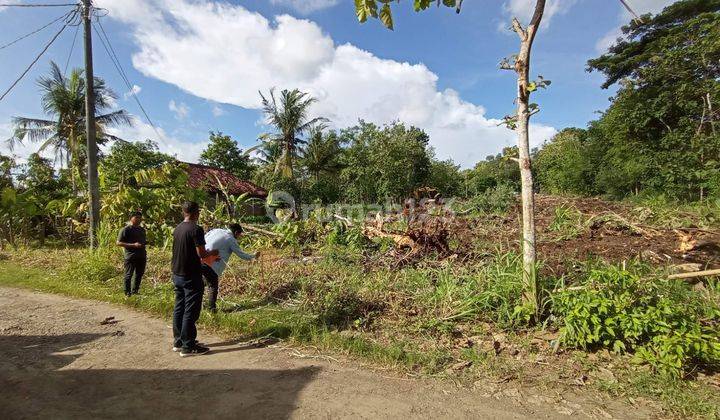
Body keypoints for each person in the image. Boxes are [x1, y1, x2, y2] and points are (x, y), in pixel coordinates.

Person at [171, 201, 218, 357]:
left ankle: (179, 341)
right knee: (190, 309)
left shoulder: (178, 228)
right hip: (190, 274)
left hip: (177, 273)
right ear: (196, 212)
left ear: (184, 212)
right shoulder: (196, 229)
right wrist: (213, 252)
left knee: (180, 307)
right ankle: (188, 346)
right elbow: (201, 254)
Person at [201, 223, 258, 312]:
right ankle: (212, 309)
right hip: (212, 264)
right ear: (236, 232)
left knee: (200, 283)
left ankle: (194, 303)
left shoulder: (217, 230)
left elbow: (204, 238)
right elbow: (241, 255)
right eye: (239, 235)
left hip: (200, 259)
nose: (239, 237)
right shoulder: (230, 239)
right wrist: (253, 256)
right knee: (213, 286)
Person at [116, 211, 147, 297]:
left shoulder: (142, 230)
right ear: (131, 218)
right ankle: (127, 292)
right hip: (130, 256)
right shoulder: (125, 230)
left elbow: (142, 241)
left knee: (139, 274)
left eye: (140, 217)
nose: (139, 219)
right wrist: (133, 245)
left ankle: (135, 291)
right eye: (136, 217)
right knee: (128, 274)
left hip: (141, 255)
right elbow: (118, 243)